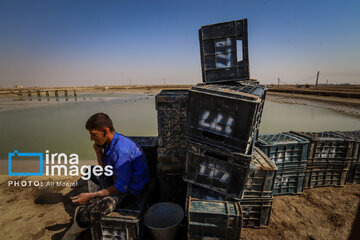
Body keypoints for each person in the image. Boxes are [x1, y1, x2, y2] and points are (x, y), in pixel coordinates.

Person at [62, 112, 149, 240]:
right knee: (90, 172)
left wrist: (91, 195)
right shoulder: (112, 142)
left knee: (84, 218)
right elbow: (105, 170)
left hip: (130, 190)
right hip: (119, 180)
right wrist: (98, 153)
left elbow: (121, 188)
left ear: (105, 131)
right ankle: (95, 198)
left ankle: (70, 234)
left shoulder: (121, 151)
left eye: (93, 134)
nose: (91, 138)